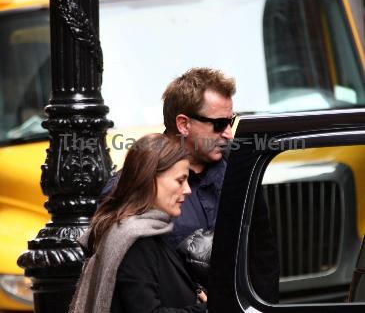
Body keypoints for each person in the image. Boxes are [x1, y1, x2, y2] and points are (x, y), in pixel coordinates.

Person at [162, 68, 279, 303]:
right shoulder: (143, 179)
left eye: (231, 121)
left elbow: (262, 254)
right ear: (183, 124)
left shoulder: (241, 168)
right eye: (219, 124)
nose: (228, 133)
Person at [69, 133, 207, 313]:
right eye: (180, 180)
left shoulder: (143, 231)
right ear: (149, 180)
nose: (187, 190)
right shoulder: (137, 241)